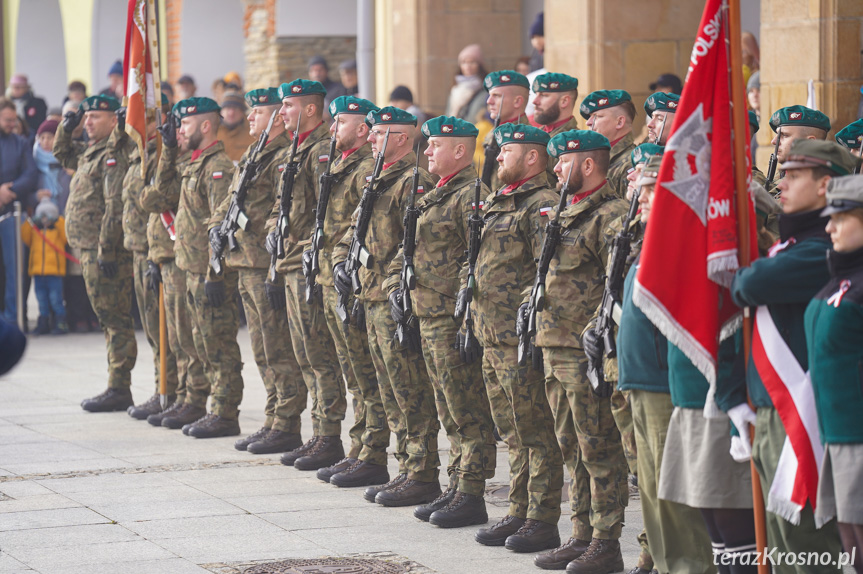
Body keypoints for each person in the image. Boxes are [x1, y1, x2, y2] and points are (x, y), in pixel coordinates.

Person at [732, 139, 854, 573]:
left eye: (793, 174)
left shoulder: (824, 246)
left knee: (808, 546)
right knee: (783, 544)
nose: (781, 182)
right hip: (770, 407)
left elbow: (749, 285)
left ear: (826, 185)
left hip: (802, 412)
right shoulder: (793, 242)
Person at [383, 115, 497, 528]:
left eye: (435, 145)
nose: (427, 150)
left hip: (449, 318)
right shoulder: (440, 193)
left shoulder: (472, 196)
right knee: (448, 408)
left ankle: (472, 492)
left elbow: (476, 259)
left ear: (460, 151)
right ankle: (455, 483)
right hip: (425, 314)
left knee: (467, 409)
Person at [607, 153, 716, 574]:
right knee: (651, 493)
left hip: (665, 384)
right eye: (645, 188)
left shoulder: (683, 240)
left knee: (675, 495)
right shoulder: (648, 237)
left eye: (655, 190)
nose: (645, 197)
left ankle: (690, 567)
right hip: (639, 380)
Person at [529, 130, 629, 573]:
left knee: (599, 449)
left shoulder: (611, 215)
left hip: (584, 351)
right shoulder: (565, 212)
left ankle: (606, 543)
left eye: (562, 161)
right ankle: (582, 534)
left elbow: (615, 289)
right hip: (554, 344)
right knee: (571, 446)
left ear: (587, 165)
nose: (554, 169)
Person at [332, 106, 441, 507]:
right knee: (388, 390)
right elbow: (352, 232)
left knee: (410, 392)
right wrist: (340, 262)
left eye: (379, 133)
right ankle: (406, 468)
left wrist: (393, 288)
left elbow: (410, 246)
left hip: (393, 300)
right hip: (368, 295)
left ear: (400, 138)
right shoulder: (375, 179)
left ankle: (423, 473)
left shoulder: (413, 182)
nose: (371, 139)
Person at [469, 123, 563, 553]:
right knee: (511, 430)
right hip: (490, 331)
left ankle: (541, 518)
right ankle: (519, 507)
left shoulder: (542, 204)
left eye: (508, 150)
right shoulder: (501, 198)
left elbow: (547, 271)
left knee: (535, 430)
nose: (499, 156)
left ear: (532, 158)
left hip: (518, 335)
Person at [209, 87, 306, 455]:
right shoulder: (254, 153)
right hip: (242, 261)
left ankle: (287, 422)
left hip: (265, 264)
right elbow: (231, 200)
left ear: (278, 118)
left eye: (258, 113)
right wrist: (217, 228)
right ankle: (272, 418)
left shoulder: (283, 157)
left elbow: (284, 212)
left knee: (278, 346)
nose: (250, 118)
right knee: (262, 348)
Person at [265, 79, 345, 471]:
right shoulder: (298, 149)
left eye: (290, 107)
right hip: (291, 262)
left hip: (309, 264)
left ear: (311, 109)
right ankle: (318, 433)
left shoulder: (320, 152)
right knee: (303, 353)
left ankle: (328, 436)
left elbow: (327, 214)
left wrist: (309, 251)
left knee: (318, 354)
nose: (282, 113)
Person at [311, 96, 390, 489]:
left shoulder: (364, 170)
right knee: (353, 372)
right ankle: (360, 448)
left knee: (366, 373)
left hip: (358, 285)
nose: (331, 129)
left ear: (362, 129)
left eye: (340, 123)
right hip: (333, 277)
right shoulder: (341, 165)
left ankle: (373, 452)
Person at [155, 97, 243, 438]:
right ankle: (204, 403)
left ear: (206, 126)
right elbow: (159, 194)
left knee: (218, 344)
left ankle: (224, 411)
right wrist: (167, 150)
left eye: (186, 125)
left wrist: (214, 275)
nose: (180, 131)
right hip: (188, 267)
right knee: (198, 342)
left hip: (209, 273)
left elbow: (218, 228)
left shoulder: (218, 167)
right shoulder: (192, 164)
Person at [53, 95, 136, 412]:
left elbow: (114, 206)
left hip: (104, 251)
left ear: (113, 120)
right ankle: (116, 384)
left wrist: (106, 251)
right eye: (85, 118)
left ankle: (119, 387)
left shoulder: (113, 153)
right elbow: (63, 155)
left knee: (115, 321)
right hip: (87, 248)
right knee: (107, 319)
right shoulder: (90, 151)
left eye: (94, 118)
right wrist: (66, 128)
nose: (87, 122)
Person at [806, 174, 863, 574]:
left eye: (841, 218)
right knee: (849, 539)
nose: (829, 227)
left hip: (858, 433)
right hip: (835, 432)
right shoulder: (841, 275)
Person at [139, 111, 210, 430]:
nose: (178, 134)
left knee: (187, 333)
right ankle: (182, 394)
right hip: (166, 255)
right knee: (175, 334)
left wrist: (168, 154)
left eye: (182, 128)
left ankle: (192, 398)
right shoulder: (174, 161)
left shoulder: (187, 164)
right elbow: (148, 197)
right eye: (175, 129)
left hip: (183, 257)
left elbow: (158, 197)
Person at [122, 97, 180, 420]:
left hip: (160, 249)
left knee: (166, 331)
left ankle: (170, 392)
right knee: (151, 328)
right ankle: (163, 388)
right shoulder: (138, 154)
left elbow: (152, 199)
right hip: (141, 247)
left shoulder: (162, 156)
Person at [0, 98, 37, 324]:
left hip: (12, 215)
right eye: (7, 120)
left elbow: (30, 175)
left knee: (15, 271)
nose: (12, 124)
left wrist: (7, 191)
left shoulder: (21, 143)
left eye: (14, 120)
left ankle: (14, 321)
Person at [21, 199, 67, 335]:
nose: (45, 219)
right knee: (41, 299)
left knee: (56, 299)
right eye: (42, 216)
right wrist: (31, 223)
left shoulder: (57, 230)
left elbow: (66, 237)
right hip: (38, 272)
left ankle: (60, 322)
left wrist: (57, 220)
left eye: (48, 216)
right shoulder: (35, 231)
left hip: (54, 272)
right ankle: (43, 323)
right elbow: (25, 237)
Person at [580, 90, 637, 198]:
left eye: (597, 116)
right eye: (590, 116)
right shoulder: (598, 156)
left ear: (620, 122)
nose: (588, 122)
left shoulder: (631, 163)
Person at [482, 70, 532, 192]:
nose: (489, 101)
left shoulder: (529, 139)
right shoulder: (492, 134)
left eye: (497, 96)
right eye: (490, 95)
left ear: (517, 101)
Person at [767, 105, 831, 194]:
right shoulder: (780, 176)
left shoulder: (816, 184)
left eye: (785, 135)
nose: (774, 141)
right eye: (777, 136)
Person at [33, 119, 70, 215]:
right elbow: (25, 193)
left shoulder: (69, 162)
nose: (45, 142)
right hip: (41, 219)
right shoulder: (32, 162)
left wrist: (73, 174)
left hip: (66, 215)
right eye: (42, 138)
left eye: (50, 137)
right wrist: (35, 196)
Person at [445, 44, 488, 124]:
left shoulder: (485, 89)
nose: (468, 66)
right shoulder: (455, 88)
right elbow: (448, 114)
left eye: (472, 62)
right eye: (464, 62)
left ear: (479, 65)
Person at [217, 92, 255, 164]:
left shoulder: (253, 132)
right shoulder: (212, 132)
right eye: (228, 108)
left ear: (242, 112)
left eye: (236, 108)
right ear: (221, 111)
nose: (231, 113)